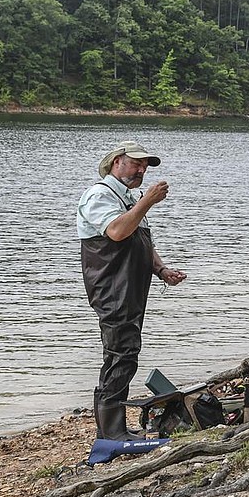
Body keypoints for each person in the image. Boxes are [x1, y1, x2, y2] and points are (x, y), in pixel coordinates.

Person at [77, 141, 187, 440]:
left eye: (145, 166)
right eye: (136, 163)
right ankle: (110, 433)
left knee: (126, 353)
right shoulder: (99, 194)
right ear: (116, 163)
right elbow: (116, 231)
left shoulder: (129, 199)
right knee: (121, 354)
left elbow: (141, 241)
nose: (142, 170)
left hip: (131, 289)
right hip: (112, 290)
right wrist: (147, 201)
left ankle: (115, 428)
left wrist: (162, 270)